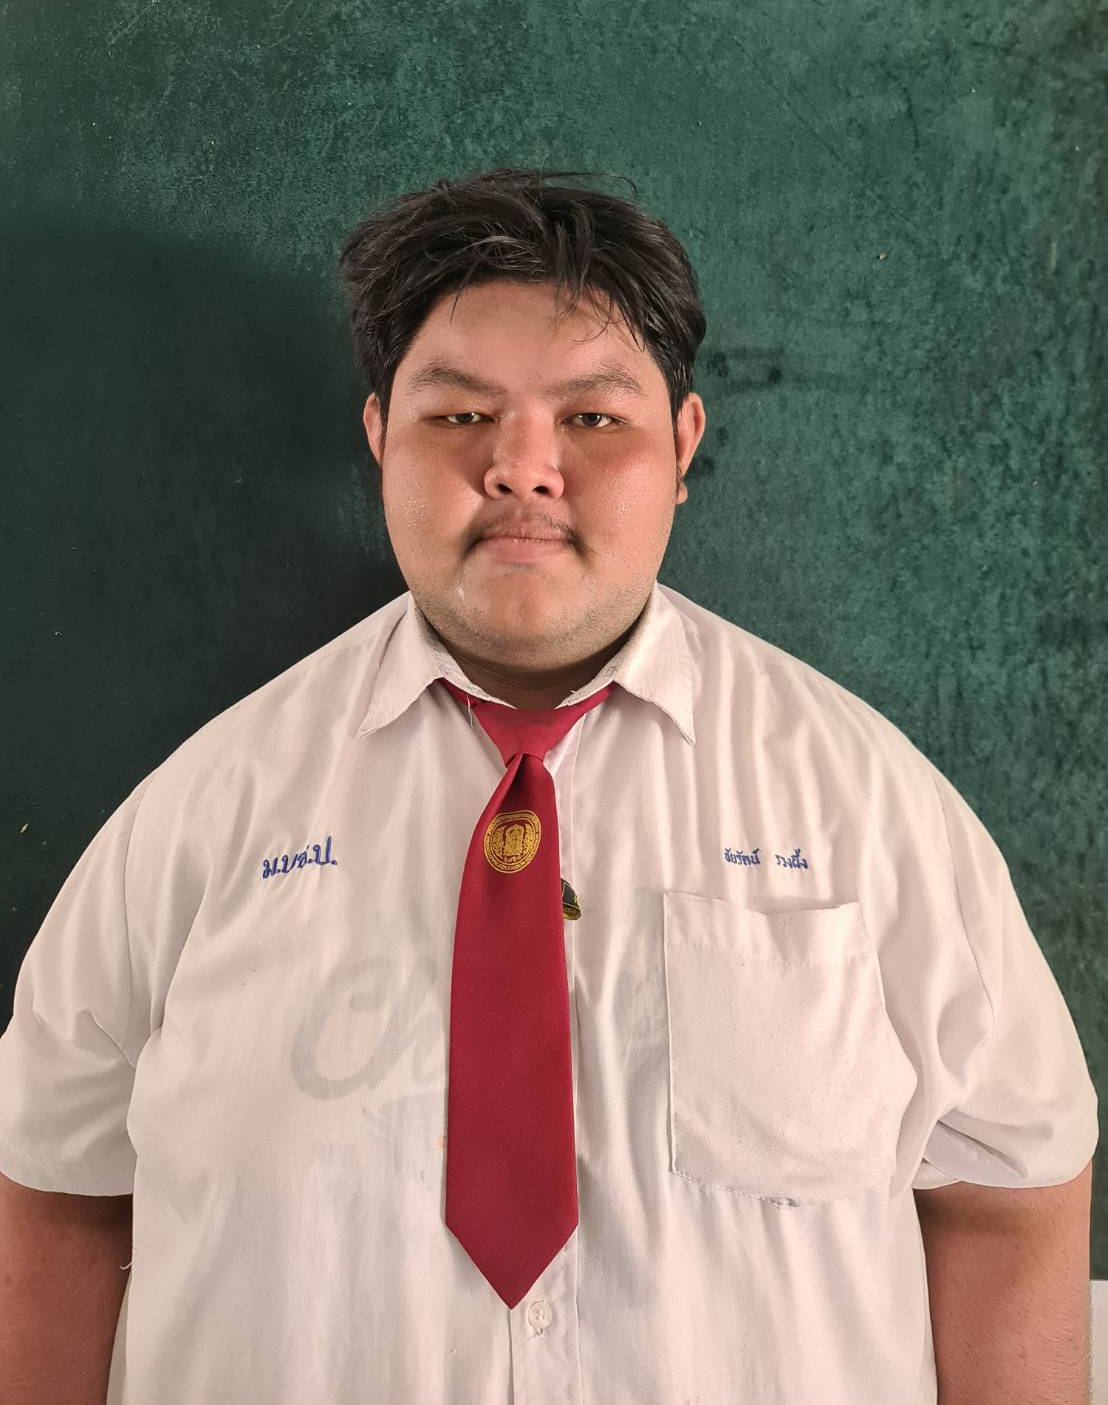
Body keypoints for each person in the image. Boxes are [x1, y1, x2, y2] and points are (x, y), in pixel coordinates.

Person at [0, 166, 1097, 1405]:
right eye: (461, 415)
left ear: (682, 446)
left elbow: (1011, 1186)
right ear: (379, 437)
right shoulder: (198, 821)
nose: (522, 468)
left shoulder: (871, 812)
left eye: (592, 418)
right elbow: (51, 1179)